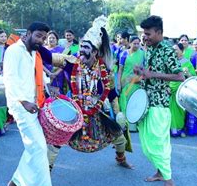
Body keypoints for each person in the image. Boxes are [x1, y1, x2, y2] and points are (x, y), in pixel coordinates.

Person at [48, 17, 133, 170]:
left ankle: (121, 158)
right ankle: (46, 170)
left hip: (97, 110)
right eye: (81, 47)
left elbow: (111, 94)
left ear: (95, 52)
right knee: (58, 139)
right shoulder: (71, 63)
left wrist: (118, 113)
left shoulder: (103, 70)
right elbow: (49, 57)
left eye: (86, 49)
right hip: (75, 109)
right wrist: (33, 48)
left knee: (119, 136)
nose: (82, 51)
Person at [3, 21, 66, 186]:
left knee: (34, 145)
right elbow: (10, 79)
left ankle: (17, 180)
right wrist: (23, 101)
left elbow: (37, 74)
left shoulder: (33, 52)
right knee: (39, 146)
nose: (41, 40)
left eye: (44, 38)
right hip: (21, 106)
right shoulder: (14, 51)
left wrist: (49, 86)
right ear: (28, 33)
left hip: (34, 103)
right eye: (38, 36)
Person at [134, 15, 185, 186]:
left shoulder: (167, 50)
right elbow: (149, 74)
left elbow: (180, 76)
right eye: (144, 34)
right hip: (147, 103)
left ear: (159, 32)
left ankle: (169, 183)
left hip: (160, 104)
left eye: (148, 33)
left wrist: (152, 74)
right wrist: (142, 72)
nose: (145, 37)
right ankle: (159, 171)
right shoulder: (149, 49)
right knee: (148, 145)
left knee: (157, 144)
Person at [170, 43, 196, 137]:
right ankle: (170, 129)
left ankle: (178, 128)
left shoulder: (187, 63)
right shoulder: (170, 61)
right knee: (169, 109)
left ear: (182, 51)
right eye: (173, 50)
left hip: (181, 90)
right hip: (169, 89)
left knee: (180, 109)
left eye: (176, 50)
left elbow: (193, 77)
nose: (174, 52)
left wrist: (187, 73)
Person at [118, 36, 145, 113]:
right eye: (134, 43)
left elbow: (144, 68)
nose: (136, 45)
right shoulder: (124, 54)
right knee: (125, 100)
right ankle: (125, 121)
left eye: (138, 43)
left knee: (135, 102)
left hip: (137, 82)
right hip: (125, 81)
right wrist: (119, 84)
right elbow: (120, 70)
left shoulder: (142, 54)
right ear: (130, 43)